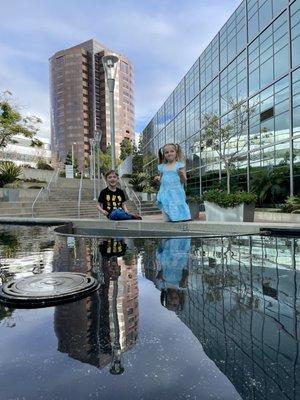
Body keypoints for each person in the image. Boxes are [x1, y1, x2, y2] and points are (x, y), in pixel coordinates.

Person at [155, 143, 191, 222]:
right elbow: (161, 181)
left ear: (176, 153)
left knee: (180, 218)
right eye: (166, 152)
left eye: (172, 151)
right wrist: (157, 179)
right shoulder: (162, 167)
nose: (169, 154)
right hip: (165, 195)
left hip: (177, 195)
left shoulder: (180, 165)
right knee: (167, 220)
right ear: (164, 155)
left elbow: (184, 181)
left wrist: (181, 175)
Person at [155, 237, 191, 312]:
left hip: (166, 259)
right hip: (180, 259)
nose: (172, 301)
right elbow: (186, 271)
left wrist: (160, 276)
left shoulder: (163, 286)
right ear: (180, 301)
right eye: (174, 304)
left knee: (168, 241)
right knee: (179, 239)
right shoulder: (181, 286)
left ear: (165, 298)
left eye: (168, 302)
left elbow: (160, 271)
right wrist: (184, 279)